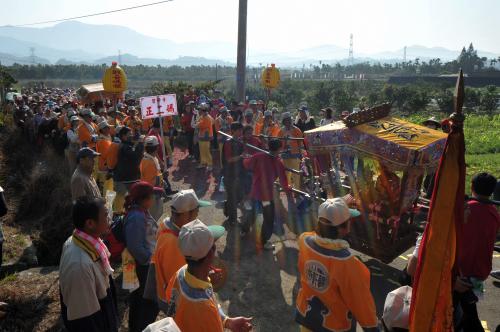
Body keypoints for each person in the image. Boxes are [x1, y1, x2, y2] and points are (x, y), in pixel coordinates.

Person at [295, 198, 379, 332]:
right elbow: (361, 303)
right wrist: (373, 328)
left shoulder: (304, 240)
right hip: (333, 326)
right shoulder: (349, 264)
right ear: (344, 229)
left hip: (307, 317)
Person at [165, 219, 253, 332]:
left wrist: (227, 322)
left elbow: (172, 301)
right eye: (214, 245)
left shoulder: (180, 273)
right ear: (211, 253)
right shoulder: (205, 308)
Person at [59, 197, 118, 332]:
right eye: (105, 215)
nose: (109, 218)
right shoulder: (79, 265)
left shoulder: (83, 240)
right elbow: (84, 320)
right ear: (90, 223)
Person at [148, 189, 210, 312]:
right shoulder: (173, 243)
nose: (197, 217)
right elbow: (181, 282)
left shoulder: (166, 224)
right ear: (186, 214)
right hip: (175, 302)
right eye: (196, 212)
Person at [454, 172, 499, 332]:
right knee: (467, 309)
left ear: (472, 187)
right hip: (481, 270)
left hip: (461, 270)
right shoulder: (494, 212)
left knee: (464, 313)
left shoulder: (467, 208)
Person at [124, 182, 161, 332]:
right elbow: (135, 246)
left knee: (139, 300)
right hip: (141, 266)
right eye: (152, 196)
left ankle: (137, 327)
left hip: (141, 264)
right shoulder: (137, 217)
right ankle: (141, 328)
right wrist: (150, 260)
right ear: (144, 199)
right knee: (145, 301)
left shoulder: (141, 212)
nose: (154, 200)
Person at [242, 139, 290, 249]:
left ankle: (243, 230)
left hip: (255, 191)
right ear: (279, 149)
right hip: (266, 196)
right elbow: (283, 182)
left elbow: (246, 164)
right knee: (269, 218)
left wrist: (246, 157)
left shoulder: (258, 156)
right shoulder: (278, 163)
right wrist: (288, 189)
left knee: (253, 213)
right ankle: (263, 242)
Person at [112, 127, 145, 213]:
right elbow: (136, 156)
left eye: (132, 134)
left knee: (127, 203)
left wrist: (137, 143)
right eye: (129, 134)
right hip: (125, 180)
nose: (131, 136)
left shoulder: (126, 145)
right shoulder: (124, 147)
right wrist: (140, 144)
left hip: (125, 179)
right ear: (123, 136)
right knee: (122, 206)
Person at [222, 123, 245, 225]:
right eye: (239, 130)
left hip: (239, 173)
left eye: (241, 130)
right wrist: (241, 156)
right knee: (232, 197)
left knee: (240, 195)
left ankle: (227, 206)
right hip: (229, 173)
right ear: (233, 131)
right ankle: (232, 219)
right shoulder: (228, 143)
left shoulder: (240, 141)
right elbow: (229, 159)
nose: (241, 132)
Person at [140, 136, 164, 220]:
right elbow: (150, 182)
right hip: (152, 193)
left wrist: (162, 175)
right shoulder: (149, 161)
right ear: (157, 148)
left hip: (152, 191)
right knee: (153, 215)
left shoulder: (148, 159)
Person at [278, 112, 304, 189]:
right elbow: (279, 143)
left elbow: (300, 143)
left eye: (289, 120)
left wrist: (300, 154)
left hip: (295, 154)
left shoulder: (297, 130)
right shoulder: (281, 131)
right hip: (285, 154)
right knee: (286, 173)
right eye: (286, 120)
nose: (288, 122)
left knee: (296, 173)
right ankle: (287, 188)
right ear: (284, 121)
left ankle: (297, 190)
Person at [95, 121, 113, 195]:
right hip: (104, 168)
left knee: (106, 189)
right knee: (105, 190)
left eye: (109, 127)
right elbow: (106, 155)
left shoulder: (106, 138)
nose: (109, 129)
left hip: (104, 166)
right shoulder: (103, 141)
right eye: (107, 128)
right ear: (102, 130)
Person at [195, 103, 214, 171]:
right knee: (202, 151)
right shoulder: (202, 116)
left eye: (199, 109)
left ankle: (210, 164)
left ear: (203, 110)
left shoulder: (207, 117)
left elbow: (200, 125)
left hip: (206, 137)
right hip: (201, 136)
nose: (199, 111)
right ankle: (203, 163)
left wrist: (198, 124)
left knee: (207, 151)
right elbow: (197, 123)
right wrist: (198, 123)